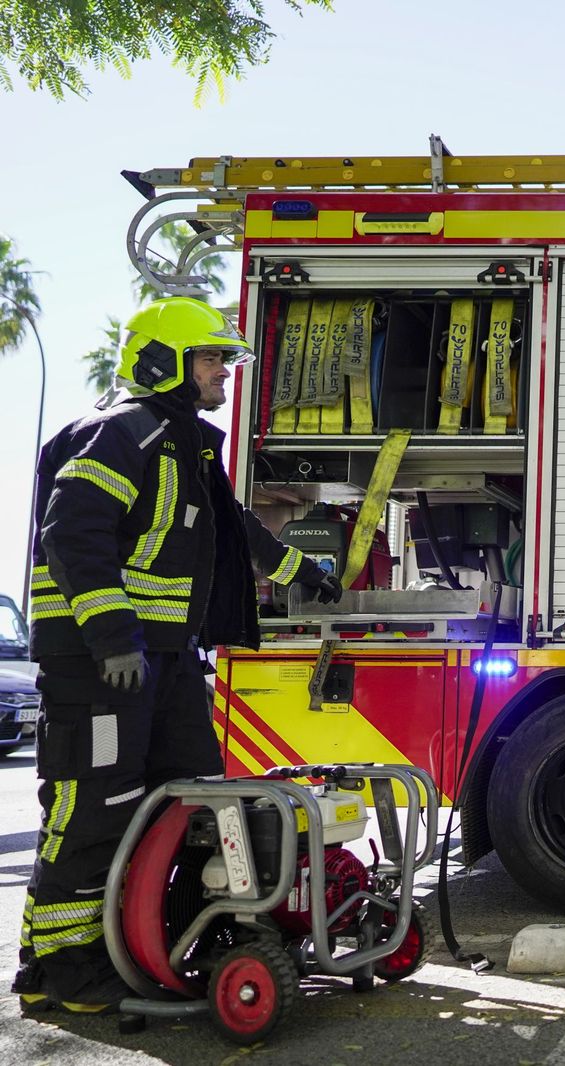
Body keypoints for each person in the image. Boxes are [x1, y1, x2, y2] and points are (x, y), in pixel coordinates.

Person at [12, 297, 343, 1015]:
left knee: (190, 804)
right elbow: (74, 536)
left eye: (225, 358)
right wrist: (110, 638)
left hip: (163, 662)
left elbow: (237, 533)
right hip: (101, 666)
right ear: (165, 363)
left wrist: (305, 576)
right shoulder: (118, 434)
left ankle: (158, 946)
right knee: (93, 810)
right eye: (212, 357)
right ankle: (64, 968)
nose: (224, 371)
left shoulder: (183, 444)